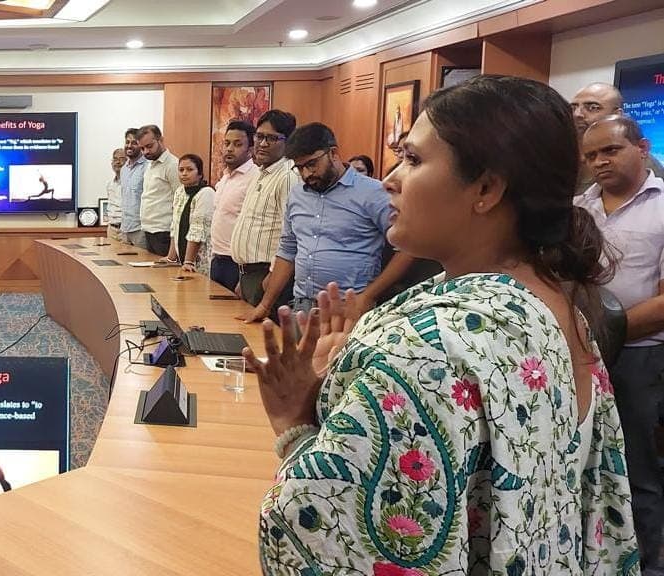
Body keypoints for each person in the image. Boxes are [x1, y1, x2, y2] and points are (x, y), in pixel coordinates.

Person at [249, 75, 638, 574]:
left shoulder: (430, 347)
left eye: (412, 160)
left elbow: (320, 530)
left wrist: (295, 422)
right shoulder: (561, 306)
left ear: (486, 188)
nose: (390, 178)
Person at [575, 114, 664, 573]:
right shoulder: (577, 208)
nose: (599, 162)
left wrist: (605, 333)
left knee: (637, 471)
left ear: (642, 147)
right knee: (584, 465)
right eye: (591, 155)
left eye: (610, 150)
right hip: (578, 356)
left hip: (639, 358)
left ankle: (648, 565)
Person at [240, 122, 412, 322]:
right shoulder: (297, 195)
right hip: (301, 307)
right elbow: (287, 251)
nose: (306, 174)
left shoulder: (373, 193)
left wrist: (368, 295)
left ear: (333, 153)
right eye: (300, 167)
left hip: (348, 308)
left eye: (312, 164)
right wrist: (264, 305)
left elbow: (408, 247)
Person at [231, 110, 299, 318]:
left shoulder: (287, 176)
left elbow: (292, 237)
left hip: (268, 277)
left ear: (288, 142)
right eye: (259, 136)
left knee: (263, 342)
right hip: (249, 274)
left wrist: (269, 281)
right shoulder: (262, 173)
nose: (262, 143)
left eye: (272, 138)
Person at [571, 82, 664, 194]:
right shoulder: (559, 154)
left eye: (592, 108)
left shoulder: (641, 162)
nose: (577, 114)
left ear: (617, 114)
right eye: (573, 107)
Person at [210, 120, 259, 291]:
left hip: (238, 263)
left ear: (251, 150)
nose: (230, 149)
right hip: (218, 258)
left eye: (237, 144)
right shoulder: (225, 177)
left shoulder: (255, 178)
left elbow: (253, 227)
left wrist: (244, 276)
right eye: (227, 143)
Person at [161, 154, 214, 274]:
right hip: (183, 259)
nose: (184, 173)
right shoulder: (180, 191)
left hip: (201, 259)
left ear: (200, 173)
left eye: (190, 170)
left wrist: (189, 261)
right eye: (181, 170)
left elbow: (197, 230)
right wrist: (171, 257)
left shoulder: (206, 193)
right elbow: (175, 226)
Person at [137, 124, 179, 256]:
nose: (145, 152)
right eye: (142, 148)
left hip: (164, 232)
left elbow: (180, 199)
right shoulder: (150, 165)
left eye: (149, 146)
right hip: (148, 229)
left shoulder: (172, 165)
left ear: (161, 140)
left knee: (163, 275)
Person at [119, 128, 148, 249]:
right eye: (127, 142)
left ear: (141, 145)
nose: (129, 146)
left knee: (141, 266)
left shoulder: (148, 167)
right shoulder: (123, 169)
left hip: (140, 229)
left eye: (134, 143)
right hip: (125, 228)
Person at [106, 147, 126, 241]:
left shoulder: (130, 183)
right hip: (111, 230)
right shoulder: (110, 184)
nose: (118, 162)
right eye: (115, 159)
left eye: (122, 159)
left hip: (126, 230)